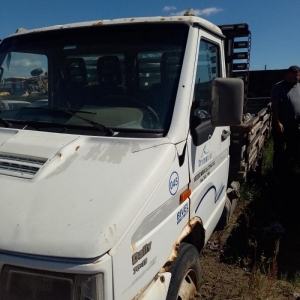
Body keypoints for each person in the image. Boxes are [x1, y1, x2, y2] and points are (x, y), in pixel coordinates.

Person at [271, 65, 300, 174]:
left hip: (295, 126)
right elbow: (274, 106)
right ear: (286, 76)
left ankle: (288, 170)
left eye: (295, 79)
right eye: (290, 78)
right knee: (278, 149)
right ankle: (276, 173)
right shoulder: (278, 88)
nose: (293, 81)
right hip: (282, 125)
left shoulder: (299, 87)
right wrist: (277, 122)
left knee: (293, 148)